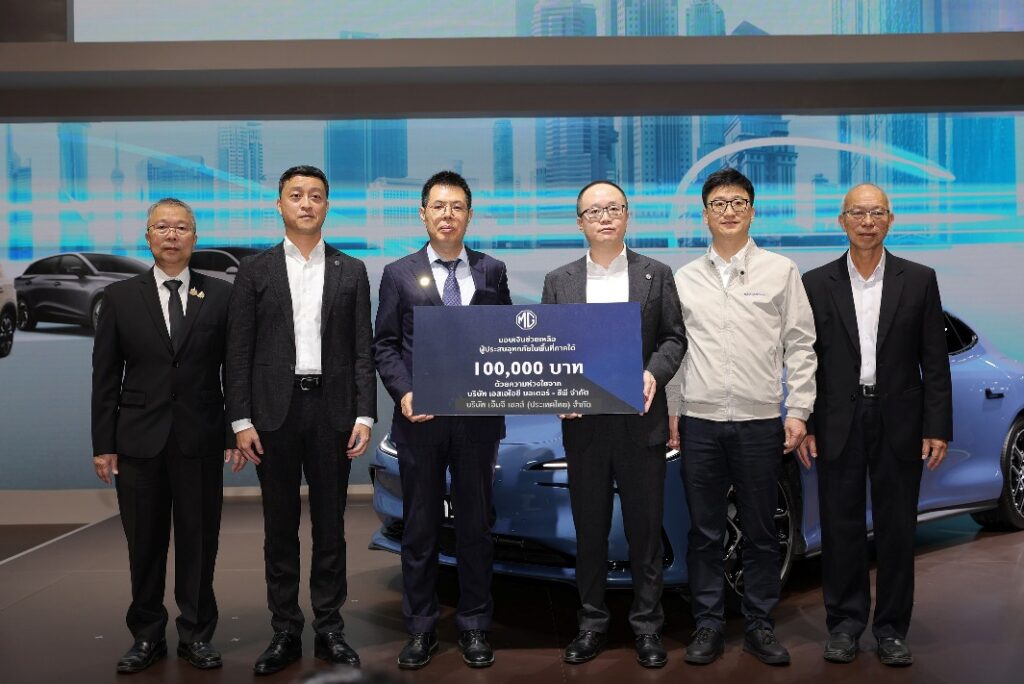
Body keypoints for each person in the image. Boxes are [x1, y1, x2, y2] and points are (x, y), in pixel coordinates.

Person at [226, 165, 376, 676]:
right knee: (279, 526)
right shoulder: (255, 270)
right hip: (273, 413)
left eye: (315, 195)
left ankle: (330, 628)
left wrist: (364, 413)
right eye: (296, 195)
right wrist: (240, 420)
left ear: (327, 205)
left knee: (331, 526)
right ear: (280, 205)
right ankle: (286, 629)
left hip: (333, 412)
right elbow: (238, 351)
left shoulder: (351, 270)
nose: (306, 203)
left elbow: (362, 349)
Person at [666, 167, 816, 666]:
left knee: (760, 531)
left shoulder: (781, 271)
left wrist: (798, 409)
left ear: (752, 211)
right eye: (719, 203)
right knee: (704, 531)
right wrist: (673, 411)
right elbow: (675, 351)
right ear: (705, 214)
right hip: (700, 422)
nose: (728, 211)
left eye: (738, 202)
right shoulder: (684, 278)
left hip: (759, 421)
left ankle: (759, 625)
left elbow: (801, 345)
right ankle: (708, 624)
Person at [797, 183, 952, 667]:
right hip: (836, 420)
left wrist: (937, 426)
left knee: (897, 529)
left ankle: (891, 630)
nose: (868, 221)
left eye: (877, 212)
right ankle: (844, 626)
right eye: (858, 213)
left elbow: (934, 360)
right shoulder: (815, 283)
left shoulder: (920, 279)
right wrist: (806, 421)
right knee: (840, 527)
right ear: (841, 221)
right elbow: (806, 360)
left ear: (890, 219)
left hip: (900, 420)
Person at [92, 197, 242, 673]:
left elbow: (234, 371)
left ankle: (197, 635)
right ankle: (147, 635)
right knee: (144, 544)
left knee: (199, 541)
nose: (171, 235)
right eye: (162, 227)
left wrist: (235, 430)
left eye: (181, 227)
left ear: (194, 237)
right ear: (148, 237)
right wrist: (104, 444)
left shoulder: (221, 295)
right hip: (138, 441)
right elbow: (105, 377)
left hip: (200, 438)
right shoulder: (120, 297)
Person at [541, 180, 686, 668]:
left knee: (645, 531)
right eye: (594, 211)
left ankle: (647, 627)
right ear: (579, 222)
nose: (604, 217)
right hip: (584, 426)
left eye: (614, 208)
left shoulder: (656, 274)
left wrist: (652, 374)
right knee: (590, 530)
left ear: (627, 215)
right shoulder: (559, 281)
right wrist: (558, 391)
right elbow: (549, 349)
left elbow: (673, 339)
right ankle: (591, 623)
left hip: (640, 423)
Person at [373, 170, 512, 670]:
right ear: (423, 213)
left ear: (469, 215)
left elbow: (506, 339)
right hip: (421, 421)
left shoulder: (492, 271)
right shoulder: (398, 273)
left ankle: (474, 626)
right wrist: (405, 392)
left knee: (476, 527)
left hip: (477, 423)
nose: (447, 215)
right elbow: (385, 345)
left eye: (456, 206)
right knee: (421, 527)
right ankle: (421, 628)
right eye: (438, 206)